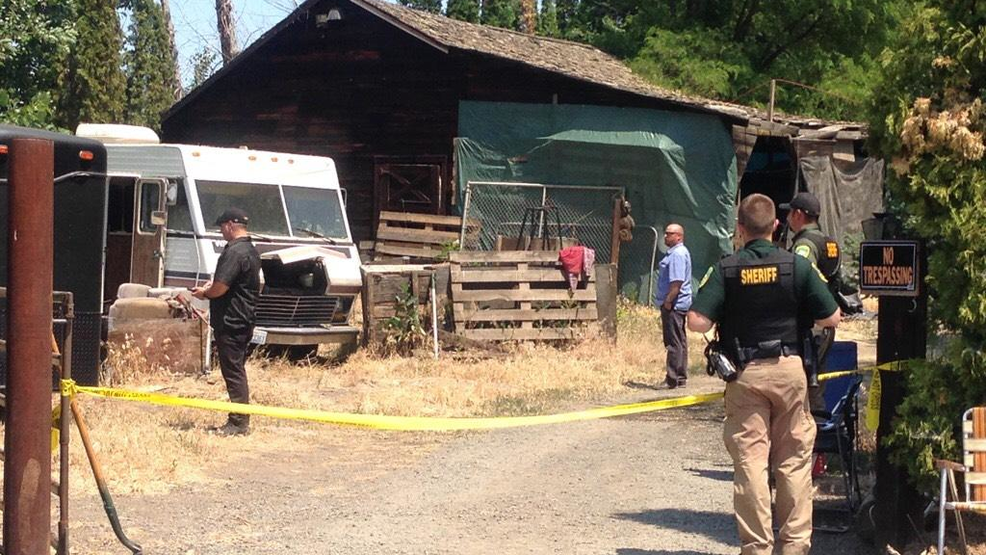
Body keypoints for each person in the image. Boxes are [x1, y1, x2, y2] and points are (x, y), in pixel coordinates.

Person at [687, 194, 840, 555]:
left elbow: (696, 321)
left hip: (745, 374)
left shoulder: (727, 268)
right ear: (775, 226)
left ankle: (756, 548)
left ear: (740, 229)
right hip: (790, 371)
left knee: (751, 464)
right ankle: (794, 546)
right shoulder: (797, 267)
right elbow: (831, 317)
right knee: (793, 462)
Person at [192, 207, 261, 436]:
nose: (221, 232)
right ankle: (239, 418)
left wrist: (205, 293)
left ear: (230, 225)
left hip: (231, 320)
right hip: (244, 317)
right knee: (236, 369)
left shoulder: (234, 252)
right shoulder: (251, 249)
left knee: (233, 371)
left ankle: (238, 422)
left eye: (222, 227)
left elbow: (220, 287)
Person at [780, 191, 840, 410]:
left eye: (789, 213)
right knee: (817, 382)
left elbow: (802, 279)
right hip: (824, 322)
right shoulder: (828, 241)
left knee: (805, 389)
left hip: (809, 327)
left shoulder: (804, 246)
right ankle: (818, 435)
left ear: (798, 214)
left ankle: (811, 437)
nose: (786, 218)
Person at [654, 223, 692, 388]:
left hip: (674, 304)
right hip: (679, 303)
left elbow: (676, 282)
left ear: (679, 237)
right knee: (680, 340)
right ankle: (680, 377)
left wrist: (668, 300)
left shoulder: (677, 254)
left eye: (669, 234)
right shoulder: (680, 253)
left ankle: (672, 378)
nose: (665, 236)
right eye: (666, 233)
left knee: (673, 341)